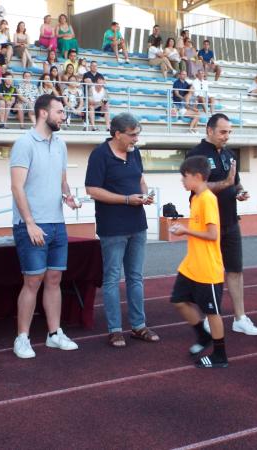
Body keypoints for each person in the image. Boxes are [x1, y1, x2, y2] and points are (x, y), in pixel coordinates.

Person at [10, 94, 81, 358]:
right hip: (31, 224)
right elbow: (17, 187)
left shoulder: (60, 144)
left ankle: (54, 334)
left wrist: (68, 197)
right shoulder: (24, 143)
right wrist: (29, 223)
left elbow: (62, 180)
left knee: (54, 279)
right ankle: (22, 338)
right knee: (32, 281)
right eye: (60, 112)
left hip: (57, 223)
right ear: (43, 113)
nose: (64, 116)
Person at [85, 113, 160, 348]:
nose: (136, 139)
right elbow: (92, 190)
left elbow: (140, 179)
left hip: (137, 225)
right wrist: (127, 199)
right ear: (117, 134)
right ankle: (115, 330)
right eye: (132, 135)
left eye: (137, 134)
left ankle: (138, 326)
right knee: (111, 278)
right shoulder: (99, 155)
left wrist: (145, 194)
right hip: (113, 227)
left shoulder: (134, 152)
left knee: (136, 277)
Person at [187, 114, 257, 335]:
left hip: (230, 221)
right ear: (209, 130)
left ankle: (240, 318)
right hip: (207, 225)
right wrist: (226, 183)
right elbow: (196, 187)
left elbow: (235, 183)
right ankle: (211, 316)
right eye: (223, 132)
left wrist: (239, 191)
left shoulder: (229, 154)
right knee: (210, 272)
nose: (227, 136)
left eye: (229, 132)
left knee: (235, 270)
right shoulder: (196, 155)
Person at [169, 156, 227, 368]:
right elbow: (198, 229)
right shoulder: (196, 198)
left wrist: (185, 230)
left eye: (185, 177)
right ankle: (203, 336)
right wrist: (183, 230)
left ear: (198, 176)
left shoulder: (208, 199)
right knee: (178, 300)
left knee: (212, 313)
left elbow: (212, 234)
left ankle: (220, 355)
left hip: (207, 267)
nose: (182, 181)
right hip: (192, 265)